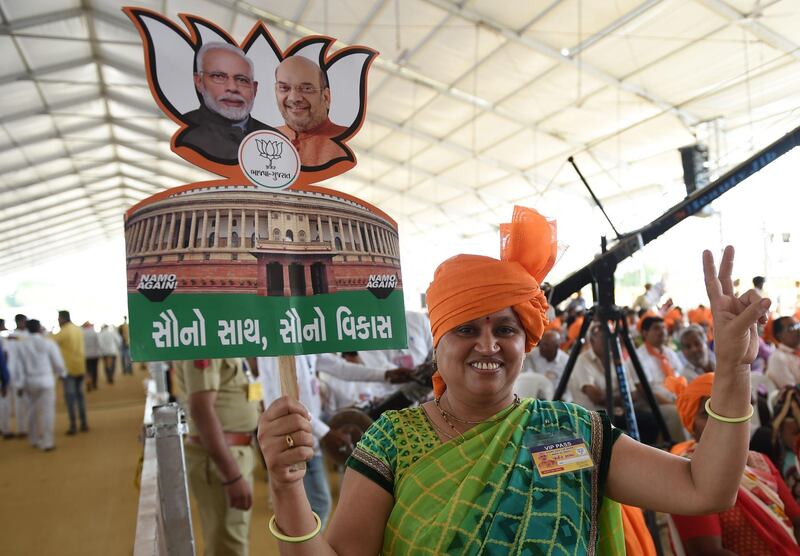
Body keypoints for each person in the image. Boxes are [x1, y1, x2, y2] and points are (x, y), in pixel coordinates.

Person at [257, 206, 770, 554]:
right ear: (436, 344)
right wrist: (286, 489)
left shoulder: (572, 431)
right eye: (465, 329)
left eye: (505, 328)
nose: (487, 345)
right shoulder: (394, 441)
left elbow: (704, 489)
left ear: (525, 340)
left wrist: (731, 372)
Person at [669, 373, 800, 554]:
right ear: (692, 425)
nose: (720, 420)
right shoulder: (688, 474)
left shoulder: (760, 461)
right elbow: (709, 553)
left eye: (728, 408)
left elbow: (796, 521)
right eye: (706, 413)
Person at [175, 358, 260, 555]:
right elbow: (201, 409)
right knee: (228, 545)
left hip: (235, 452)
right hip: (223, 458)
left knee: (229, 540)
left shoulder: (223, 339)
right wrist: (232, 475)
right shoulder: (205, 339)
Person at [259, 355, 350, 527]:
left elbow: (340, 367)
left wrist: (384, 374)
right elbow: (285, 402)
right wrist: (326, 433)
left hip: (310, 441)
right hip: (295, 443)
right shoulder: (277, 350)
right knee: (317, 505)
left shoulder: (307, 346)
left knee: (315, 506)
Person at [569, 321, 659, 445]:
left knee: (652, 421)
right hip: (594, 416)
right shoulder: (582, 361)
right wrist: (621, 398)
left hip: (620, 412)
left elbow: (633, 393)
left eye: (611, 338)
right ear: (592, 340)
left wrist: (613, 398)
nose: (609, 343)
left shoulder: (616, 358)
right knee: (642, 424)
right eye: (604, 339)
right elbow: (596, 397)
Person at [180, 42, 268, 162]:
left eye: (242, 80)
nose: (232, 88)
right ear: (199, 82)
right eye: (219, 76)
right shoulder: (181, 132)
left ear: (255, 89)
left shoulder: (274, 138)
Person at [274, 56, 349, 168]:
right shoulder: (262, 139)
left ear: (326, 97)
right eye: (284, 88)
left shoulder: (349, 141)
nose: (294, 98)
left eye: (307, 89)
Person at [634, 315, 686, 441]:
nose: (662, 331)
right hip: (652, 404)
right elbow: (645, 391)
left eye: (663, 327)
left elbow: (681, 377)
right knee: (675, 413)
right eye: (656, 328)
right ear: (645, 333)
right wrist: (672, 403)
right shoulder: (638, 356)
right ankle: (679, 451)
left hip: (675, 398)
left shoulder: (669, 353)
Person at [17, 319, 66, 451]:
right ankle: (47, 442)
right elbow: (58, 363)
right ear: (39, 328)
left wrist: (20, 384)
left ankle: (33, 439)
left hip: (29, 381)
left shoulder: (21, 345)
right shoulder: (48, 343)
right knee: (47, 412)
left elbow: (19, 367)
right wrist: (61, 373)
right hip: (46, 380)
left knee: (32, 411)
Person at [53, 310, 88, 435]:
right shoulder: (78, 329)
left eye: (58, 318)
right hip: (80, 367)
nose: (57, 321)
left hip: (69, 369)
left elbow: (50, 341)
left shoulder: (64, 331)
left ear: (63, 318)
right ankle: (84, 423)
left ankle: (73, 425)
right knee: (80, 397)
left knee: (70, 398)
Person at [766, 316, 800, 388]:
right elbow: (791, 389)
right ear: (780, 336)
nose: (798, 330)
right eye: (791, 328)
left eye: (798, 325)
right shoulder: (777, 358)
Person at [82, 322, 100, 391]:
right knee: (95, 369)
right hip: (95, 354)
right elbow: (98, 343)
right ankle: (94, 384)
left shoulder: (82, 333)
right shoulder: (94, 333)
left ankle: (88, 382)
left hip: (85, 355)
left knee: (87, 370)